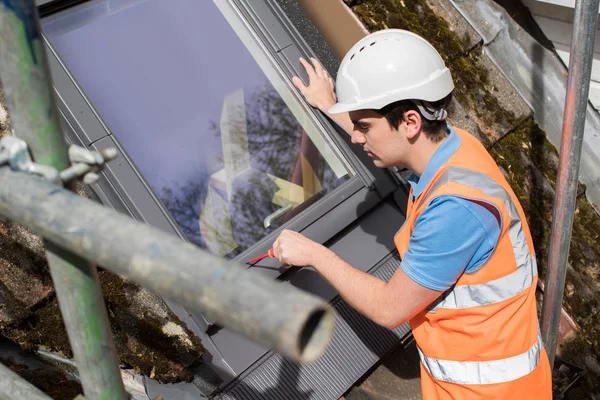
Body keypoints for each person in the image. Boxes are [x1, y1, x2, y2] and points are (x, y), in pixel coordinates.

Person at [273, 29, 552, 399]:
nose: (357, 138)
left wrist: (312, 253)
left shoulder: (456, 211)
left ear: (410, 122)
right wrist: (332, 106)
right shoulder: (455, 148)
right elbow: (397, 150)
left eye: (363, 127)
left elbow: (389, 309)